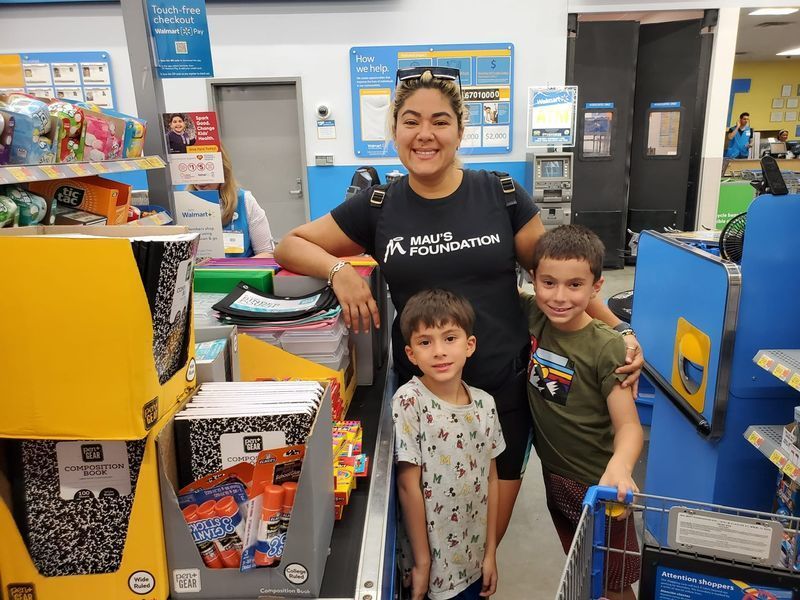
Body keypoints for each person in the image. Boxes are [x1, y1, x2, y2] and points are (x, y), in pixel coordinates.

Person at [274, 67, 643, 542]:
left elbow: (560, 280)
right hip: (425, 403)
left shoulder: (501, 195)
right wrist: (339, 271)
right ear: (394, 130)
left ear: (459, 130)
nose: (424, 134)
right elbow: (290, 244)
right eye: (410, 121)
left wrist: (620, 331)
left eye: (439, 121)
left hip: (503, 394)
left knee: (483, 548)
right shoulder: (378, 205)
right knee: (434, 544)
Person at [521, 224, 643, 600]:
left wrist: (620, 466)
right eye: (549, 283)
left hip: (599, 486)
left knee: (614, 583)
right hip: (554, 475)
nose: (559, 297)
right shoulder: (535, 314)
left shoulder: (606, 349)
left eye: (575, 285)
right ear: (533, 280)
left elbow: (629, 428)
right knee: (581, 566)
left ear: (596, 288)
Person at [393, 289, 502, 600]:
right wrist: (424, 564)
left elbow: (491, 479)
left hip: (475, 561)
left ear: (469, 346)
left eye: (449, 338)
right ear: (411, 354)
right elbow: (407, 484)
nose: (439, 351)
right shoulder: (409, 401)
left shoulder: (485, 404)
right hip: (432, 568)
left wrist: (490, 552)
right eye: (425, 342)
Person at [188, 145, 275, 257]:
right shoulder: (182, 204)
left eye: (207, 169)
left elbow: (267, 254)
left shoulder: (244, 200)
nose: (200, 179)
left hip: (238, 273)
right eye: (193, 169)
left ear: (223, 170)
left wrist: (237, 270)